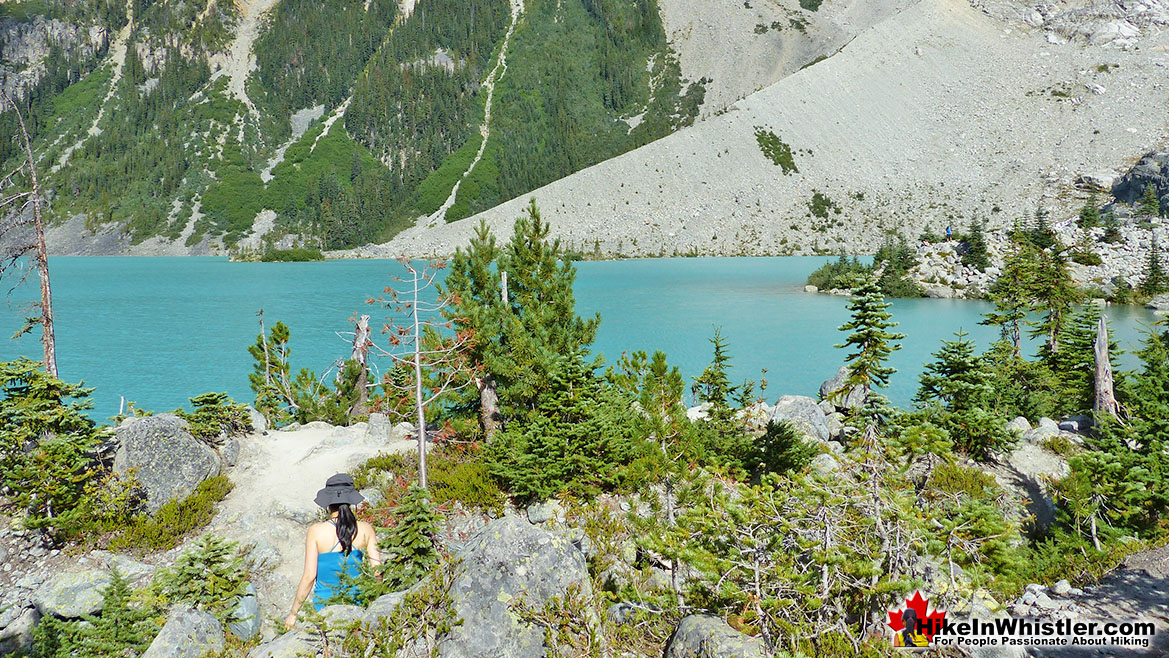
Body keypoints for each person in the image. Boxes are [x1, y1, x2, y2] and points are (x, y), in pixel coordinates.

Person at [285, 473, 381, 628]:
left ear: (328, 503)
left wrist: (293, 614)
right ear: (351, 500)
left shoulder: (315, 531)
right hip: (357, 606)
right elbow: (377, 571)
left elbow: (310, 576)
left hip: (324, 608)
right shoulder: (365, 529)